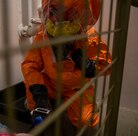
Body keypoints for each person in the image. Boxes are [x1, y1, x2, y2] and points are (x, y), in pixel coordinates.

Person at [21, 0, 111, 134]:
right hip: (51, 82)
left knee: (87, 121)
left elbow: (106, 64)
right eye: (55, 12)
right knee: (35, 98)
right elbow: (30, 65)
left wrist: (89, 66)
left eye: (69, 15)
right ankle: (40, 104)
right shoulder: (43, 35)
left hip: (76, 88)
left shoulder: (89, 37)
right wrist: (39, 95)